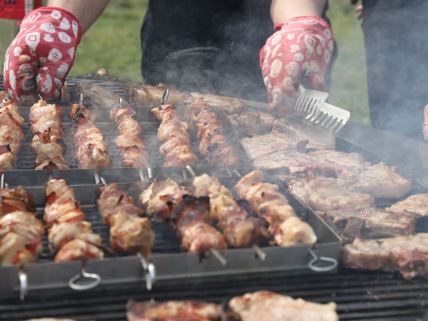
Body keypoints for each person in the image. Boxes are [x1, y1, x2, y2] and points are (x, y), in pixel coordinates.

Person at [2, 0, 334, 116]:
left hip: (281, 48)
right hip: (177, 29)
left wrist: (299, 23)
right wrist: (61, 17)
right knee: (172, 113)